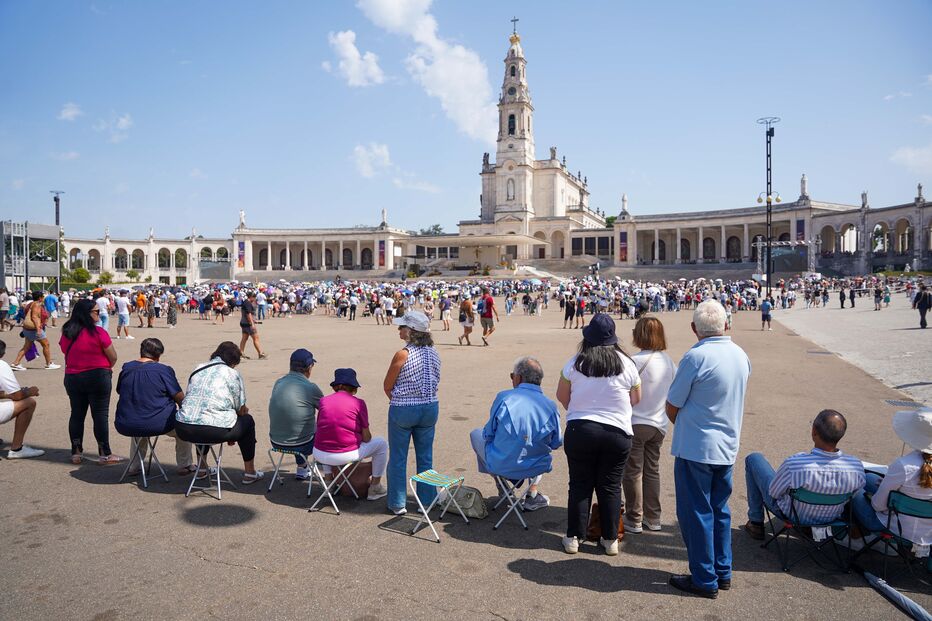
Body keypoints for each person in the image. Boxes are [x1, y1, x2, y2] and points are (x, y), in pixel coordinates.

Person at [665, 300, 751, 598]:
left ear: (694, 328)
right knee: (720, 509)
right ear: (726, 324)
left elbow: (673, 405)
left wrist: (688, 425)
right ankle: (722, 570)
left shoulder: (695, 357)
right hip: (727, 444)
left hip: (697, 447)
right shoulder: (741, 355)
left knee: (696, 513)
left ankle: (703, 577)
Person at [556, 313, 641, 556]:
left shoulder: (574, 363)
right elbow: (636, 399)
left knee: (580, 484)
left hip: (580, 429)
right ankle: (610, 539)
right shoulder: (627, 364)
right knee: (611, 486)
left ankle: (574, 537)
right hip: (617, 432)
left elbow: (562, 396)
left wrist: (580, 408)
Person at [742, 410, 865, 540]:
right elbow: (854, 496)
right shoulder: (855, 467)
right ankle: (808, 526)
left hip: (793, 516)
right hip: (830, 518)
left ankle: (756, 523)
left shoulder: (795, 464)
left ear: (814, 432)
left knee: (754, 459)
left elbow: (773, 493)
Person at [470, 356, 562, 511]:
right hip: (536, 465)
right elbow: (556, 442)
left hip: (503, 463)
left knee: (476, 434)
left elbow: (488, 434)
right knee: (538, 444)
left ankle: (502, 483)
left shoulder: (504, 397)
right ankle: (532, 493)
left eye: (512, 376)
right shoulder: (551, 406)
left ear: (518, 378)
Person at [175, 341, 264, 484]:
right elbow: (240, 408)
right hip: (214, 429)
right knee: (247, 421)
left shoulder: (198, 368)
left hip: (184, 427)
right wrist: (235, 424)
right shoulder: (232, 373)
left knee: (200, 418)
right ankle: (250, 472)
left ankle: (202, 468)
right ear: (233, 362)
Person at [383, 311, 441, 515]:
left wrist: (400, 401)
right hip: (430, 407)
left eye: (402, 327)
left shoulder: (403, 354)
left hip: (404, 408)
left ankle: (398, 502)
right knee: (425, 457)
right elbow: (436, 380)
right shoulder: (434, 352)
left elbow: (387, 385)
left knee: (398, 457)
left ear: (411, 331)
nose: (399, 330)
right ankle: (426, 500)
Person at [623, 317, 676, 533]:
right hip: (659, 424)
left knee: (633, 471)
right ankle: (653, 517)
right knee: (652, 470)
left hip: (636, 421)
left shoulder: (632, 361)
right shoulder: (670, 363)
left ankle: (634, 517)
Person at [851, 407, 932, 548]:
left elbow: (878, 506)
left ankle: (856, 536)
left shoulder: (904, 465)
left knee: (854, 486)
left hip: (896, 528)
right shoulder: (911, 466)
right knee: (870, 477)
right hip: (928, 532)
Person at [114, 338, 194, 474]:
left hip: (126, 423)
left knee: (138, 427)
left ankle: (134, 465)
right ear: (158, 355)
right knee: (183, 430)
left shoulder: (126, 369)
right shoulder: (163, 371)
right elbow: (179, 397)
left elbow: (119, 390)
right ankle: (184, 465)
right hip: (159, 423)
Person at [59, 298, 121, 464]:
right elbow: (113, 356)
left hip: (73, 376)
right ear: (86, 314)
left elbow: (65, 350)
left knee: (77, 414)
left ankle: (76, 452)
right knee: (100, 415)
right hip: (98, 375)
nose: (98, 313)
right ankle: (104, 453)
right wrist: (107, 366)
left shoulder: (67, 332)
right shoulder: (98, 332)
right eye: (96, 311)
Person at [313, 368, 388, 500]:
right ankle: (375, 487)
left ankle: (329, 483)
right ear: (353, 387)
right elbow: (366, 437)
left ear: (337, 386)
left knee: (327, 437)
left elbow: (321, 427)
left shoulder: (324, 401)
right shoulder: (359, 403)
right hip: (345, 455)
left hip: (319, 453)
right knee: (381, 444)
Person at [268, 348, 324, 480]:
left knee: (298, 422)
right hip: (303, 444)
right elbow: (327, 410)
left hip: (276, 442)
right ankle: (326, 470)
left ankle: (302, 467)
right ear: (309, 367)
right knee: (325, 426)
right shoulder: (310, 387)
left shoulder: (279, 382)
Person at [0, 338, 44, 458]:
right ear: (3, 354)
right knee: (29, 403)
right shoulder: (1, 365)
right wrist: (30, 391)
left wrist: (6, 395)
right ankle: (16, 449)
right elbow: (17, 396)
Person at [10, 291, 61, 371]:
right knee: (46, 344)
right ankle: (49, 363)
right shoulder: (37, 304)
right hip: (34, 329)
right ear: (40, 298)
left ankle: (15, 363)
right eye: (43, 297)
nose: (43, 298)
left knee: (26, 347)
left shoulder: (30, 304)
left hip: (27, 328)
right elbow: (34, 317)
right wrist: (38, 329)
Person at [238, 291, 267, 360]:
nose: (254, 299)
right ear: (251, 297)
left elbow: (246, 313)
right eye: (254, 297)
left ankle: (241, 353)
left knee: (244, 338)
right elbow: (248, 314)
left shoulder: (245, 302)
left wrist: (253, 320)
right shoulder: (248, 303)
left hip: (243, 322)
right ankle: (260, 353)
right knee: (256, 338)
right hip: (248, 324)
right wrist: (252, 323)